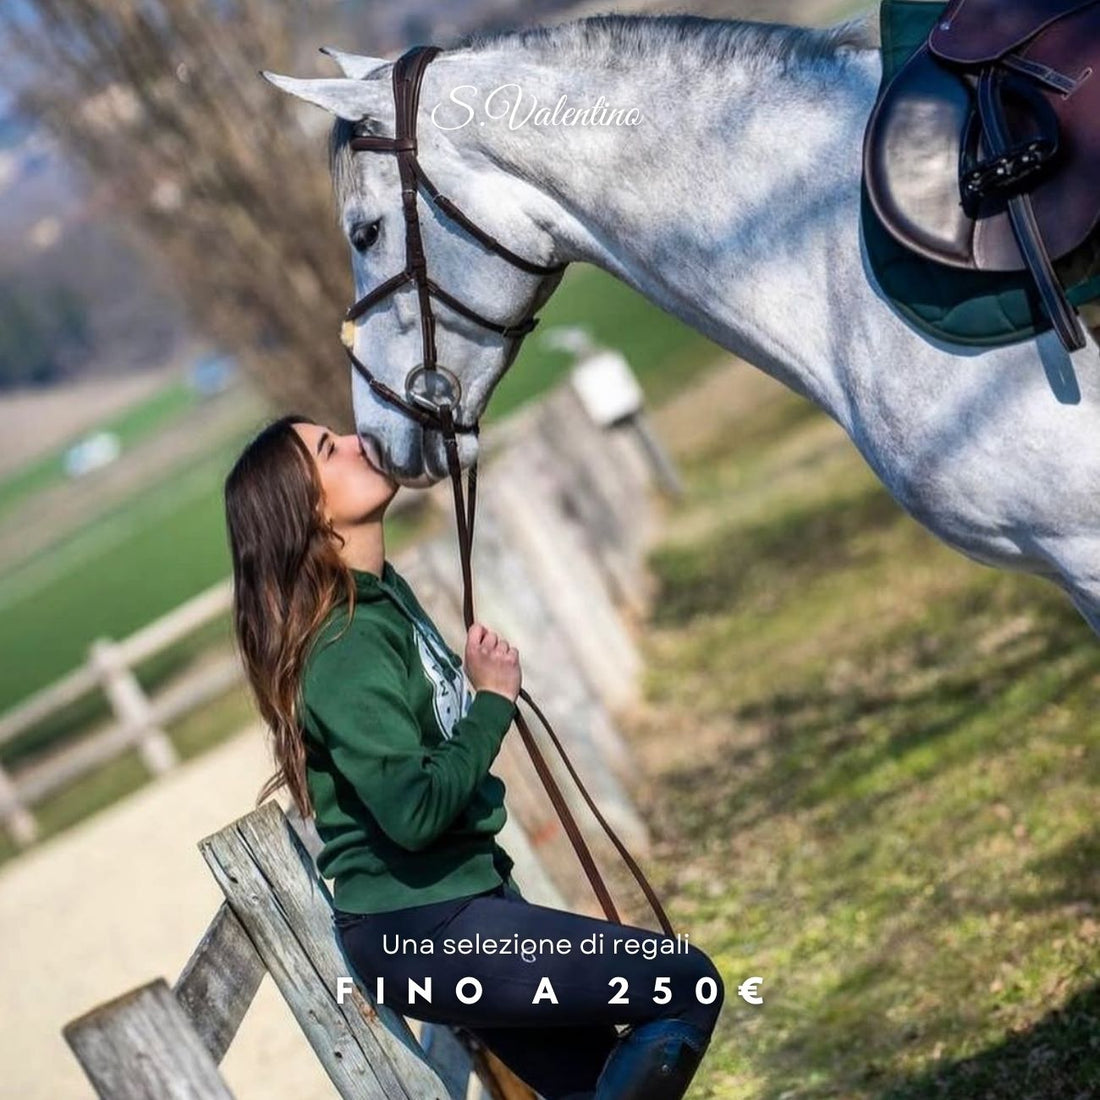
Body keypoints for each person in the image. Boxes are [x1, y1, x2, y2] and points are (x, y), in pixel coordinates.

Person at [223, 412, 724, 1099]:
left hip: (463, 905)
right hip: (426, 930)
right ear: (307, 510)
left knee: (589, 1082)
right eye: (330, 450)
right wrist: (493, 700)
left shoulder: (384, 599)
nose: (360, 442)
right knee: (684, 987)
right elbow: (415, 812)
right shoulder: (344, 646)